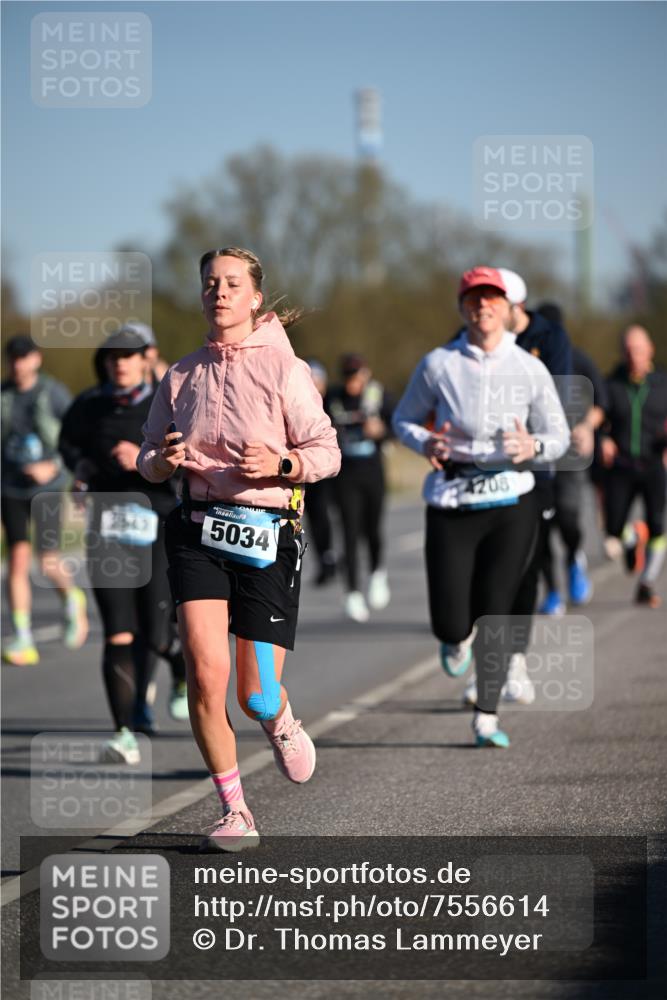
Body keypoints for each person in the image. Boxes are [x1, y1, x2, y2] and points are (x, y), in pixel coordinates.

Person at [137, 246, 340, 851]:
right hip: (198, 529)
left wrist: (283, 462)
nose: (218, 292)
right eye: (209, 283)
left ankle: (277, 717)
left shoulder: (285, 369)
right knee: (204, 673)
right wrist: (161, 462)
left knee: (254, 692)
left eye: (231, 283)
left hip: (268, 532)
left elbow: (326, 453)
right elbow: (147, 456)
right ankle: (235, 811)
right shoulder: (180, 375)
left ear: (255, 297)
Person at [393, 266, 569, 747]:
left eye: (492, 298)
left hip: (511, 499)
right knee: (451, 620)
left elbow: (560, 437)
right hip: (451, 499)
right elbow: (403, 419)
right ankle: (455, 638)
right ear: (463, 307)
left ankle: (486, 715)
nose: (482, 306)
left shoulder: (530, 368)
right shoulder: (438, 364)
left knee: (496, 607)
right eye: (473, 298)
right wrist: (428, 442)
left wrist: (530, 447)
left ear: (509, 307)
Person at [59, 324, 190, 763]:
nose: (120, 363)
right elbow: (70, 446)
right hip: (106, 528)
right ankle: (123, 733)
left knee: (154, 634)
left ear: (144, 360)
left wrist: (140, 460)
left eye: (128, 355)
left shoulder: (168, 403)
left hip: (157, 523)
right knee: (117, 631)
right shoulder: (89, 405)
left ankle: (176, 667)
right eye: (112, 356)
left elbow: (189, 457)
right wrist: (81, 470)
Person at [1, 334, 88, 665]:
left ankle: (71, 598)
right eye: (13, 357)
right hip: (10, 487)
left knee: (47, 560)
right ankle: (22, 637)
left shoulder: (52, 393)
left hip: (48, 488)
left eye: (24, 357)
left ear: (36, 359)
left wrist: (50, 466)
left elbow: (74, 437)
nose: (18, 364)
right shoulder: (4, 395)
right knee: (18, 561)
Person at [535, 303, 608, 613]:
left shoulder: (577, 359)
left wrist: (586, 426)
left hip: (569, 453)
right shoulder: (527, 360)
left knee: (568, 516)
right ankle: (552, 591)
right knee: (539, 528)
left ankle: (575, 559)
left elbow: (601, 402)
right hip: (535, 455)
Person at [600, 325, 667, 608]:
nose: (633, 356)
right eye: (628, 350)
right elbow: (597, 416)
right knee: (612, 532)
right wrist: (603, 437)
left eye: (638, 350)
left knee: (657, 525)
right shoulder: (611, 383)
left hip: (653, 463)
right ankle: (631, 538)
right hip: (621, 465)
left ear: (650, 350)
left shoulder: (662, 384)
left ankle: (646, 584)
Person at [327, 353, 394, 622]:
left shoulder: (379, 395)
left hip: (373, 471)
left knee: (372, 528)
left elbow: (398, 426)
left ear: (366, 374)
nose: (352, 382)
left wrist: (381, 431)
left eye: (357, 376)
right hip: (345, 475)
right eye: (348, 376)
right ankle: (352, 593)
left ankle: (378, 572)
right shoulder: (333, 398)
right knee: (349, 533)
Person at [303, 360, 337, 585]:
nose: (315, 386)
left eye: (318, 381)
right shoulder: (301, 403)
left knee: (338, 515)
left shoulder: (333, 402)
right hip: (310, 471)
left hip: (336, 469)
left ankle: (333, 555)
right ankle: (325, 558)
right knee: (316, 517)